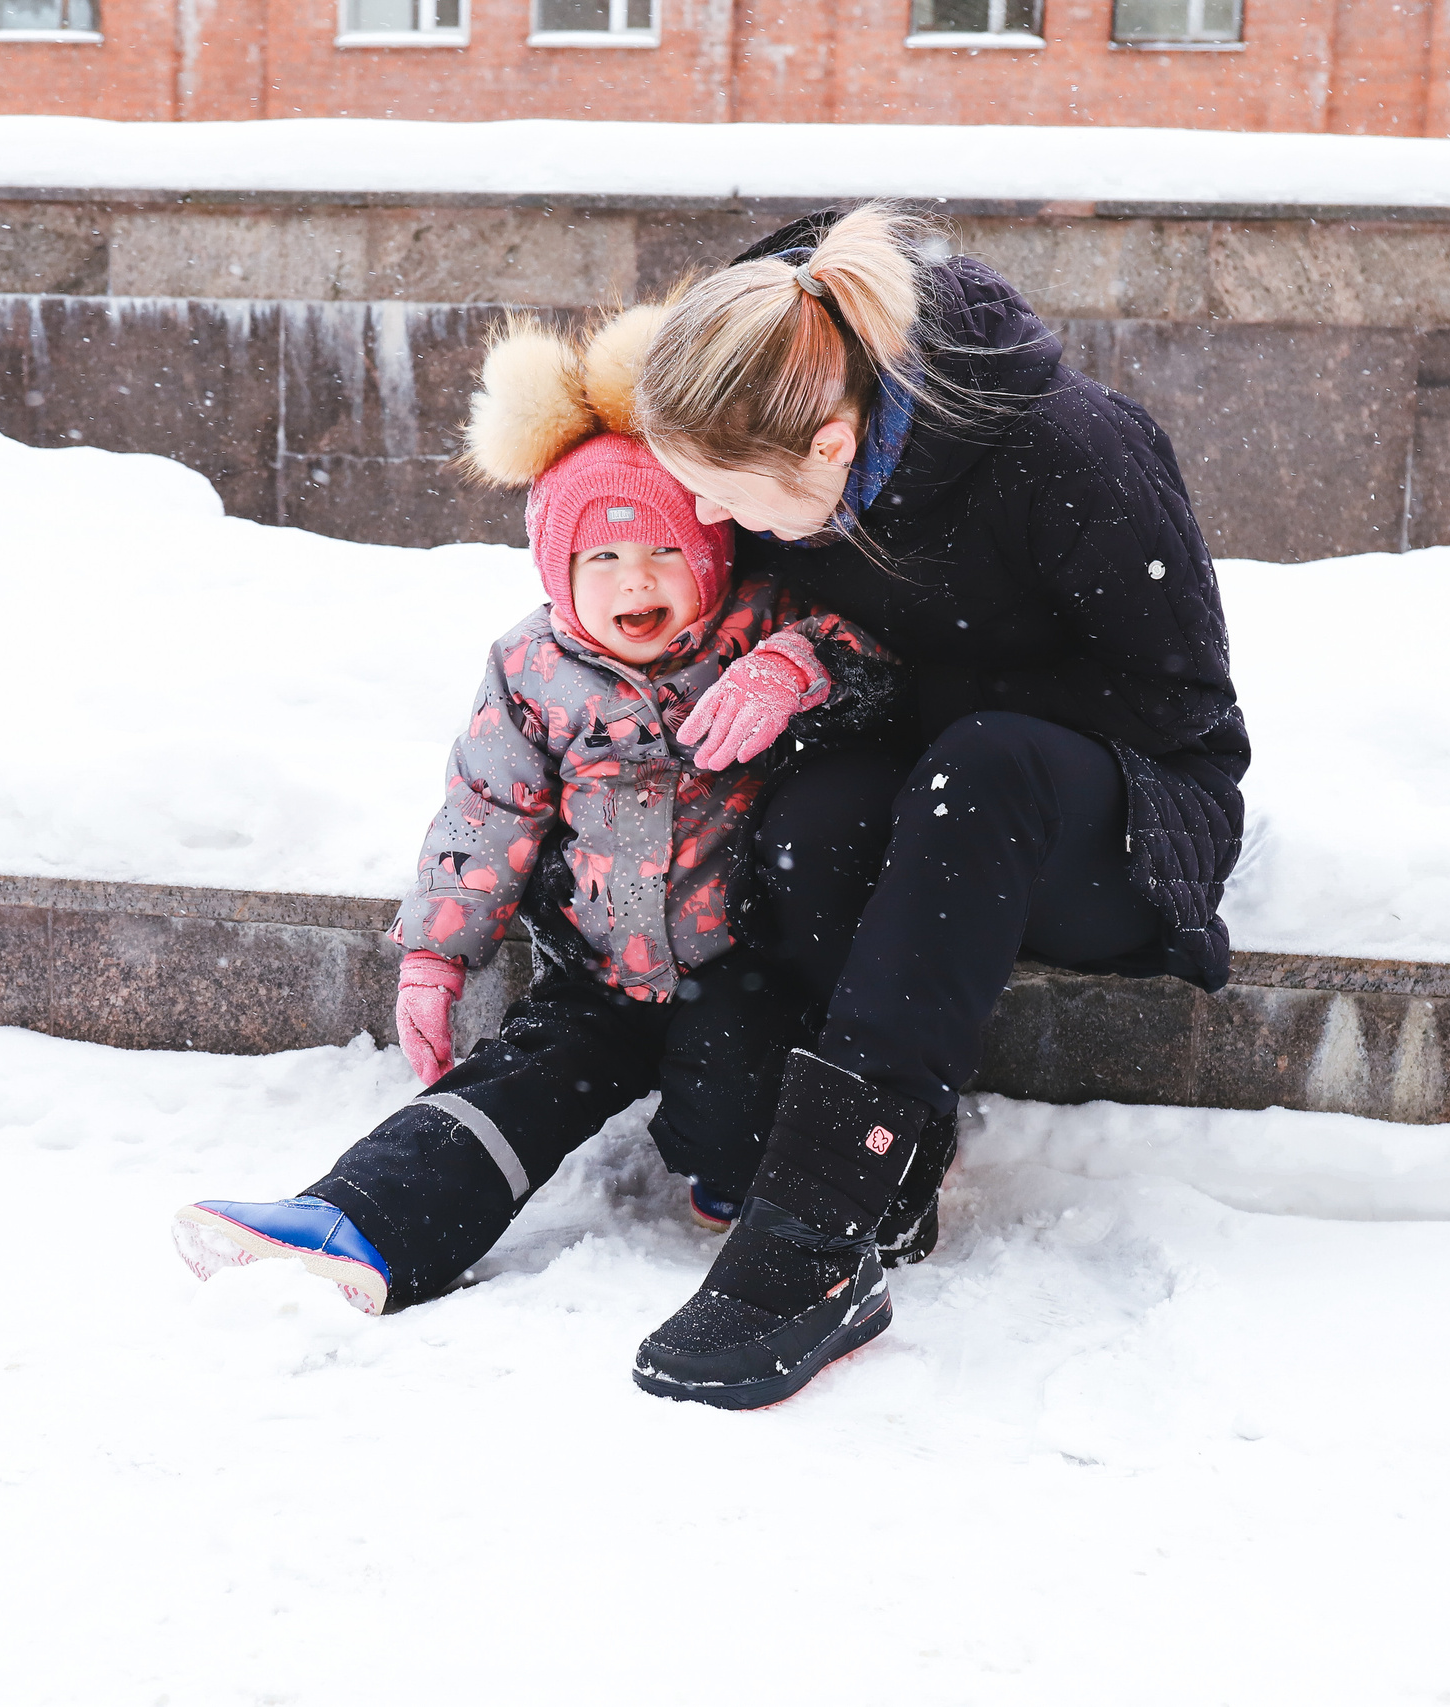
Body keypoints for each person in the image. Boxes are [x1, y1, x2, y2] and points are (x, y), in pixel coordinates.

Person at [624, 202, 1251, 1409]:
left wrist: (924, 696)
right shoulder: (782, 402)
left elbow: (1179, 706)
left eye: (729, 499)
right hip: (935, 788)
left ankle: (817, 1230)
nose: (709, 522)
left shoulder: (1073, 452)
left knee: (984, 764)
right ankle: (895, 1176)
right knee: (814, 826)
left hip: (1122, 820)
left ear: (830, 445)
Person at [169, 311, 901, 1315]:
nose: (635, 577)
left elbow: (874, 661)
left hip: (736, 967)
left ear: (711, 548)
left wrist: (793, 667)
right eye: (601, 559)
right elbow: (484, 810)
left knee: (736, 1096)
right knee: (512, 1085)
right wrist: (436, 953)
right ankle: (359, 1221)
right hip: (597, 970)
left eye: (665, 548)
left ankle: (730, 1167)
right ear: (557, 571)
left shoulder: (758, 624)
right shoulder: (531, 667)